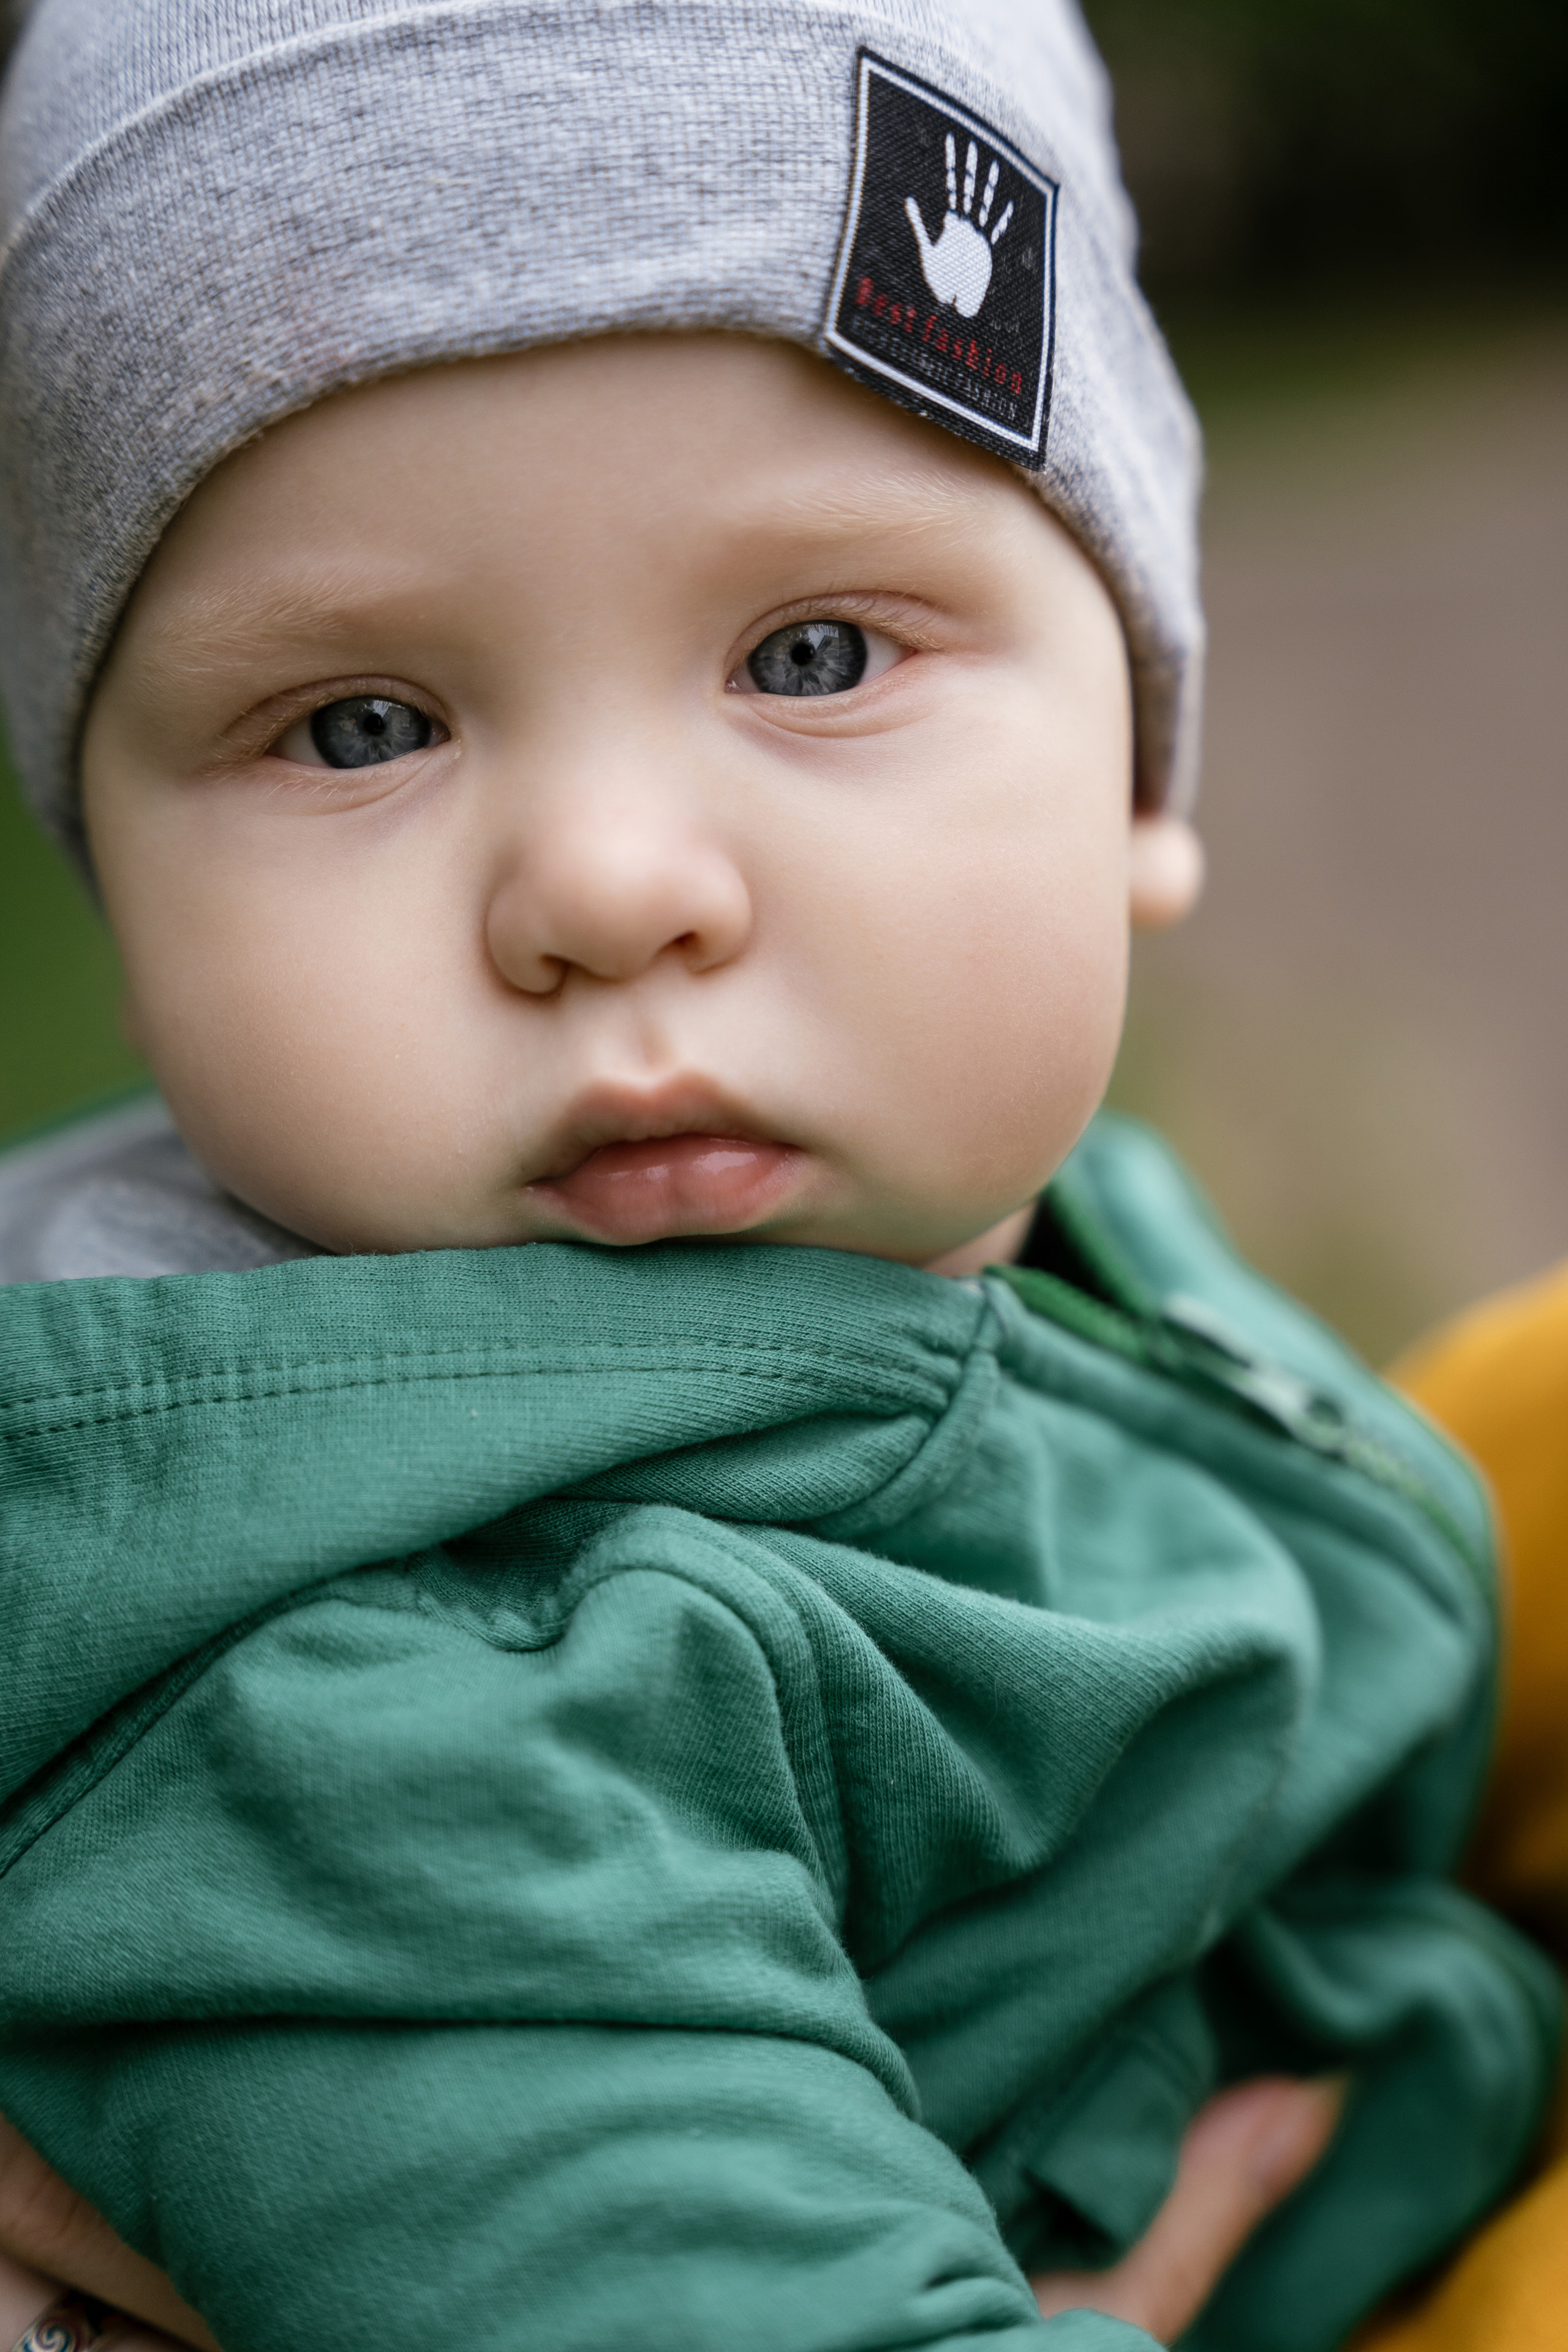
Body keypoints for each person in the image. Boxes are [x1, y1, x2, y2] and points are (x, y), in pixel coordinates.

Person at [0, 6, 1555, 2351]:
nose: (612, 888)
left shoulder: (1044, 1245)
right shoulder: (379, 1708)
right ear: (125, 907)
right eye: (358, 722)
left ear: (1136, 758)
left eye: (813, 652)